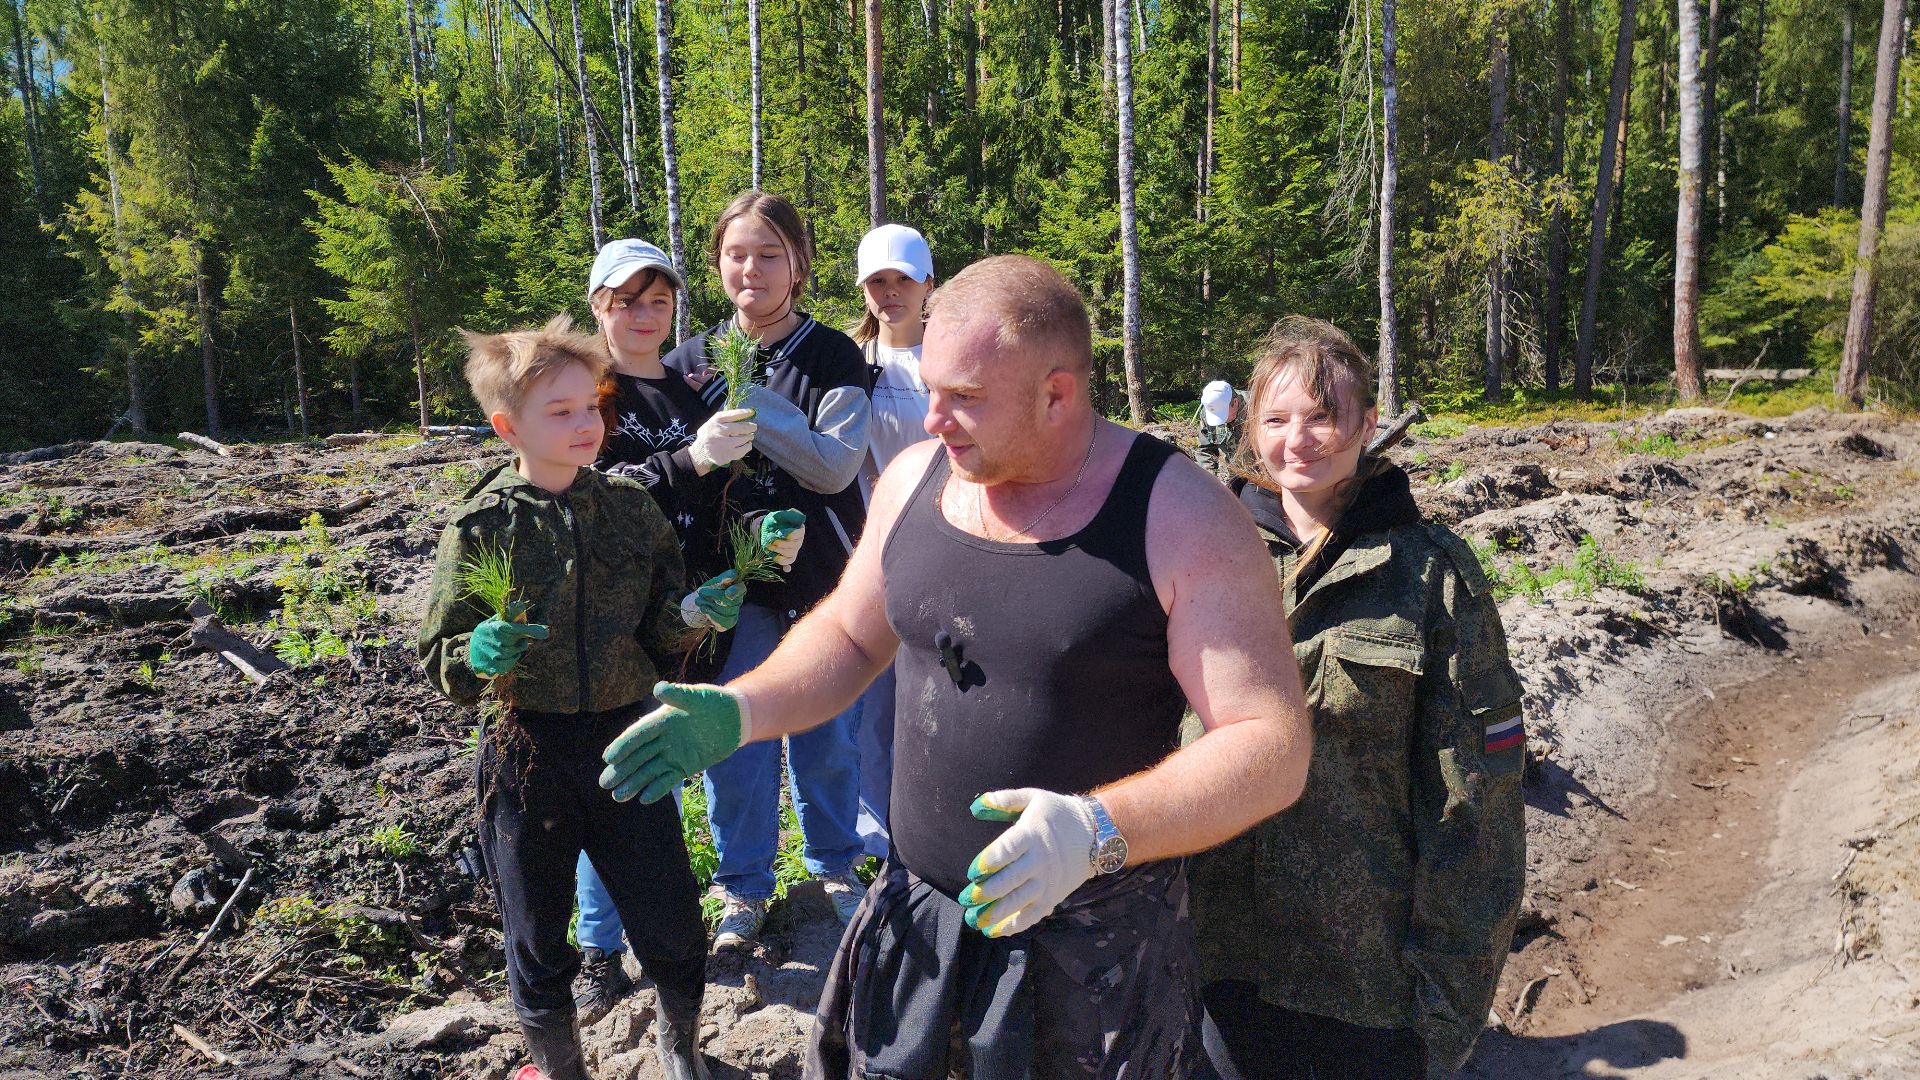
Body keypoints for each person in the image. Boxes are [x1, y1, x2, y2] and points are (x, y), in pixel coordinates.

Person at [599, 255, 1317, 1078]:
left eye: (965, 397)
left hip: (1094, 953)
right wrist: (744, 709)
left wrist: (1096, 830)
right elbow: (850, 638)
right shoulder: (915, 479)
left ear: (1057, 394)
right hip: (918, 923)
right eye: (932, 389)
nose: (934, 419)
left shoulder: (1181, 517)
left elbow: (1270, 745)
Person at [1186, 316, 1526, 1080]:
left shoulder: (1431, 576)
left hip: (1368, 986)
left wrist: (1445, 1012)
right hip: (1221, 964)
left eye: (1323, 416)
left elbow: (1476, 811)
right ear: (1248, 426)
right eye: (1276, 419)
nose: (1298, 440)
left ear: (1368, 424)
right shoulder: (1204, 558)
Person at [419, 316, 744, 1080]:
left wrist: (696, 613)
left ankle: (680, 1048)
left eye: (590, 406)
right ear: (509, 428)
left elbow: (660, 627)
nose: (584, 424)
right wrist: (473, 652)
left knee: (671, 919)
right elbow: (440, 656)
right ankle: (560, 1068)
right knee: (536, 934)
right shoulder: (483, 525)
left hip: (627, 744)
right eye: (559, 412)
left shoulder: (630, 508)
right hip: (526, 754)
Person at [566, 238, 805, 1024]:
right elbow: (591, 496)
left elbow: (729, 489)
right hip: (622, 626)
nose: (644, 314)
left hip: (709, 612)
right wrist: (686, 462)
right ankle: (599, 950)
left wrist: (761, 529)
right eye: (627, 300)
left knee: (731, 755)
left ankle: (738, 905)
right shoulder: (586, 395)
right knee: (626, 778)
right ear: (598, 305)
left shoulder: (692, 390)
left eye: (658, 300)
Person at [661, 190, 874, 948]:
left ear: (799, 263)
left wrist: (745, 397)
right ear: (717, 263)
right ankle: (743, 886)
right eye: (736, 254)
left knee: (827, 734)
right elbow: (672, 471)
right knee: (737, 738)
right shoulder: (685, 365)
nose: (750, 269)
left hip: (822, 582)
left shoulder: (832, 355)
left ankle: (835, 868)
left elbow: (834, 466)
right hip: (730, 589)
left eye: (769, 254)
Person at [846, 222, 938, 857]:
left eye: (902, 279)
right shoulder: (850, 363)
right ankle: (876, 837)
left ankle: (934, 824)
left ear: (928, 282)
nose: (889, 292)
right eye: (877, 281)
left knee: (936, 693)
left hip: (944, 547)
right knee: (872, 700)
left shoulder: (949, 360)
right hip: (867, 550)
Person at [1195, 378, 1244, 482]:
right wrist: (1210, 480)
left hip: (1264, 477)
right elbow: (1205, 450)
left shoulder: (1259, 407)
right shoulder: (1209, 413)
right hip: (1236, 475)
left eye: (1223, 415)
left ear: (1235, 402)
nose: (1222, 421)